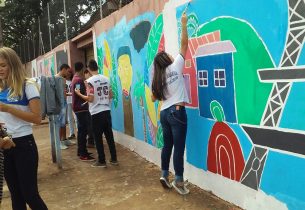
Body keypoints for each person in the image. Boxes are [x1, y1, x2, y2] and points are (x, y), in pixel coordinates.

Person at [0, 47, 48, 209]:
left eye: (3, 65)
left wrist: (7, 108)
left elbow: (37, 118)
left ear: (12, 65)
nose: (0, 69)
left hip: (24, 145)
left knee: (30, 195)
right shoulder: (0, 88)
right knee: (16, 197)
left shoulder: (28, 85)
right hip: (5, 145)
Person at [150, 13, 190, 195]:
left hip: (164, 113)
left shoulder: (158, 78)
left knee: (168, 146)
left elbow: (152, 98)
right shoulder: (176, 67)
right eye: (167, 54)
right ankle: (179, 180)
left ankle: (164, 174)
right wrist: (183, 23)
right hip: (177, 112)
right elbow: (184, 44)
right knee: (179, 148)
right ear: (167, 59)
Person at [75, 59, 118, 167]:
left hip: (96, 113)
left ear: (88, 68)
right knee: (109, 136)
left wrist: (79, 93)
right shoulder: (106, 79)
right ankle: (114, 159)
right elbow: (111, 95)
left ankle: (102, 160)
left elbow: (90, 99)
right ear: (97, 67)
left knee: (98, 138)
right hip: (106, 111)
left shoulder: (90, 81)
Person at [71, 62, 95, 161]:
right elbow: (78, 93)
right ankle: (83, 154)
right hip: (81, 108)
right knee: (83, 131)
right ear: (81, 69)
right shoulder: (78, 80)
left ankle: (81, 151)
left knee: (82, 131)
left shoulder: (75, 79)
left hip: (79, 108)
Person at [56, 64, 75, 149]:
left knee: (63, 123)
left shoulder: (63, 79)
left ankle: (64, 139)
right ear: (63, 69)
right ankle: (59, 142)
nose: (68, 73)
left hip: (64, 102)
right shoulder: (55, 78)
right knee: (60, 123)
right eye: (68, 71)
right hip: (59, 104)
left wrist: (69, 94)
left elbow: (63, 92)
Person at [65, 68, 76, 140]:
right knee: (70, 118)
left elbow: (77, 91)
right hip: (68, 102)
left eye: (70, 72)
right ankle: (72, 133)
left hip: (74, 101)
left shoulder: (74, 81)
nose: (69, 74)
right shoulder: (63, 81)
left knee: (76, 117)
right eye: (68, 72)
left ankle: (79, 130)